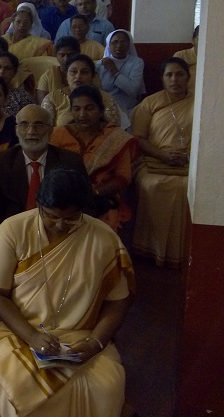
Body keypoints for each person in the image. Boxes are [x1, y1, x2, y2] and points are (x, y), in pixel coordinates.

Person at [0, 170, 133, 417]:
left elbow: (118, 303)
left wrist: (96, 343)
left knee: (105, 387)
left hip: (83, 336)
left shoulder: (103, 238)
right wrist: (33, 337)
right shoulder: (13, 231)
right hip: (19, 331)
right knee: (9, 390)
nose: (61, 224)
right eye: (52, 216)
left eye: (70, 217)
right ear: (39, 205)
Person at [0, 104, 88, 243]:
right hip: (15, 237)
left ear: (50, 131)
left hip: (60, 236)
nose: (31, 131)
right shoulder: (1, 161)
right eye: (24, 125)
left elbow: (87, 207)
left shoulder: (70, 161)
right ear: (16, 130)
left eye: (38, 125)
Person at [132, 57, 193, 267]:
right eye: (169, 75)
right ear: (162, 79)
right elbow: (138, 139)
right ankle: (150, 248)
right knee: (153, 185)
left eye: (179, 74)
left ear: (188, 77)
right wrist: (162, 155)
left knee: (187, 187)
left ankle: (183, 252)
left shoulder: (199, 102)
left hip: (189, 162)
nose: (174, 79)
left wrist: (189, 157)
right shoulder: (149, 104)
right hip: (153, 159)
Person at [51, 86, 139, 231]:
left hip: (102, 197)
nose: (82, 114)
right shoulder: (59, 134)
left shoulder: (116, 137)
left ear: (101, 110)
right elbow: (51, 170)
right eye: (77, 109)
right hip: (64, 197)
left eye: (89, 108)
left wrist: (94, 193)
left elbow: (123, 177)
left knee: (102, 226)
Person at [41, 54, 121, 128]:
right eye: (73, 72)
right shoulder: (52, 99)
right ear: (66, 76)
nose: (78, 76)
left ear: (92, 76)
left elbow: (114, 132)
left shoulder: (105, 99)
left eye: (84, 72)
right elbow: (45, 131)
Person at [97, 30, 145, 122]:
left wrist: (113, 70)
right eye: (115, 42)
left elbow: (132, 90)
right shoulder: (100, 65)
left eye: (123, 42)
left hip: (129, 110)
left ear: (129, 44)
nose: (119, 46)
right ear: (109, 45)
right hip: (106, 110)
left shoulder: (136, 62)